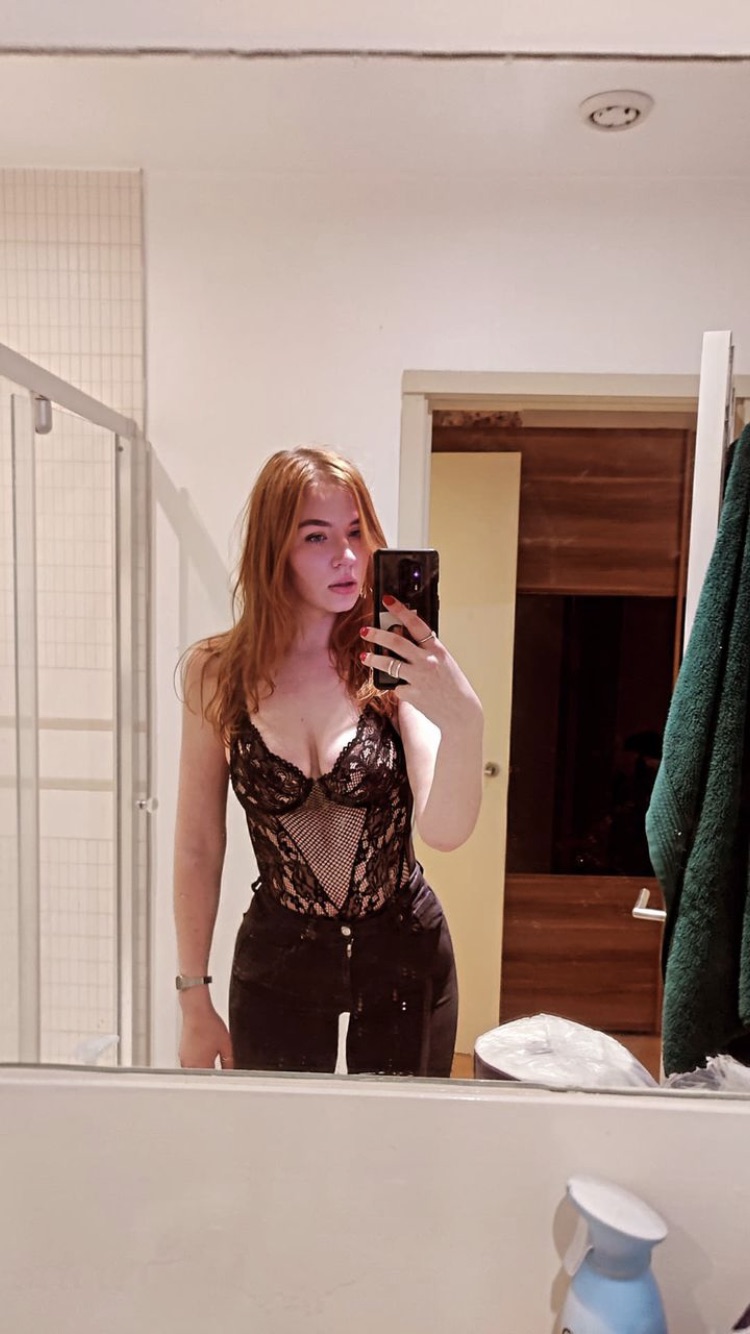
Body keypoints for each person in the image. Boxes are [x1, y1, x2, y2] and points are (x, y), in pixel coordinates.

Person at [173, 446, 484, 1077]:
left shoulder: (391, 662)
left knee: (403, 1139)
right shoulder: (218, 673)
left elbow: (445, 832)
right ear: (275, 550)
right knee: (278, 1137)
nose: (347, 556)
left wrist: (465, 722)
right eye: (317, 536)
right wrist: (193, 999)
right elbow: (198, 845)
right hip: (278, 960)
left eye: (356, 532)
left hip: (405, 955)